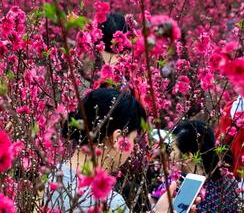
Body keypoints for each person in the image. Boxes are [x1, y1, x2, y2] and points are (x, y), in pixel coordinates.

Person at [44, 88, 197, 212]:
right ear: (118, 138)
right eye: (133, 139)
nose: (132, 150)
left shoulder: (50, 179)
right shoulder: (109, 203)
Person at [169, 120, 242, 213]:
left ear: (188, 156)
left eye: (172, 149)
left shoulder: (189, 188)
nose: (170, 155)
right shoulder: (229, 181)